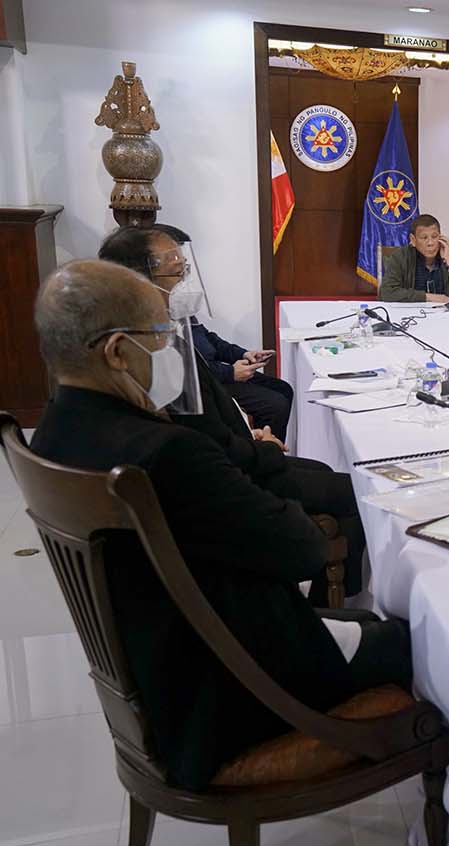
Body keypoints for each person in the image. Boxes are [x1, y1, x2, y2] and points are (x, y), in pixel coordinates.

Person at [29, 260, 413, 790]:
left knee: (368, 625)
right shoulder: (165, 452)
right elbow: (304, 550)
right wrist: (264, 474)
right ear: (117, 351)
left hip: (165, 675)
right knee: (424, 644)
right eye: (160, 335)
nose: (168, 350)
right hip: (229, 694)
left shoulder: (53, 433)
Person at [98, 227, 368, 600]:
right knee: (353, 491)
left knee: (322, 470)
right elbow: (197, 439)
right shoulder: (153, 350)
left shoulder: (159, 331)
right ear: (138, 280)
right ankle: (337, 601)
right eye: (177, 274)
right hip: (223, 479)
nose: (184, 284)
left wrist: (248, 435)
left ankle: (336, 597)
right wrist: (262, 447)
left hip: (227, 451)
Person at [150, 224, 295, 441]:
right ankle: (265, 453)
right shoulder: (154, 312)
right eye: (177, 271)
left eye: (184, 269)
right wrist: (229, 373)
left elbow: (206, 337)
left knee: (282, 389)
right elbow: (186, 369)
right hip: (207, 382)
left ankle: (273, 449)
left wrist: (242, 354)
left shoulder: (177, 303)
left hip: (219, 373)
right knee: (274, 404)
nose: (182, 279)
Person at [379, 213, 449, 302]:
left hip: (447, 315)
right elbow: (387, 292)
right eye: (424, 238)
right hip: (412, 314)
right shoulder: (400, 257)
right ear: (413, 240)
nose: (430, 243)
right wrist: (430, 297)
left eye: (434, 237)